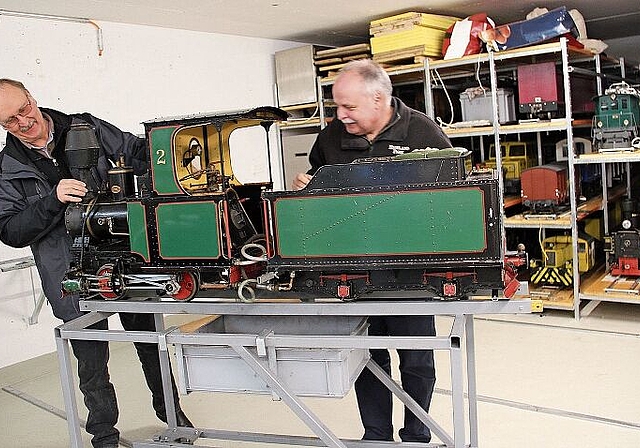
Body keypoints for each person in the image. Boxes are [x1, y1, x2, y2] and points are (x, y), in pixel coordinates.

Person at [0, 78, 192, 448]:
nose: (23, 122)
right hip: (69, 273)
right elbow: (11, 231)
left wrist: (181, 150)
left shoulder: (86, 127)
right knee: (91, 365)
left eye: (23, 110)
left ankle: (173, 417)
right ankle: (103, 436)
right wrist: (53, 200)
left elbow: (139, 153)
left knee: (151, 344)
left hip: (127, 258)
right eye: (10, 121)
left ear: (33, 98)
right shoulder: (7, 168)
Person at [292, 59, 452, 443]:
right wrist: (307, 191)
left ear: (379, 98)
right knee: (366, 356)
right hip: (354, 269)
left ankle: (416, 435)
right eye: (336, 107)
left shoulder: (422, 132)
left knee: (415, 357)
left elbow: (454, 196)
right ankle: (376, 436)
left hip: (411, 272)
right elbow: (319, 188)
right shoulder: (332, 137)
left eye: (348, 107)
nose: (340, 115)